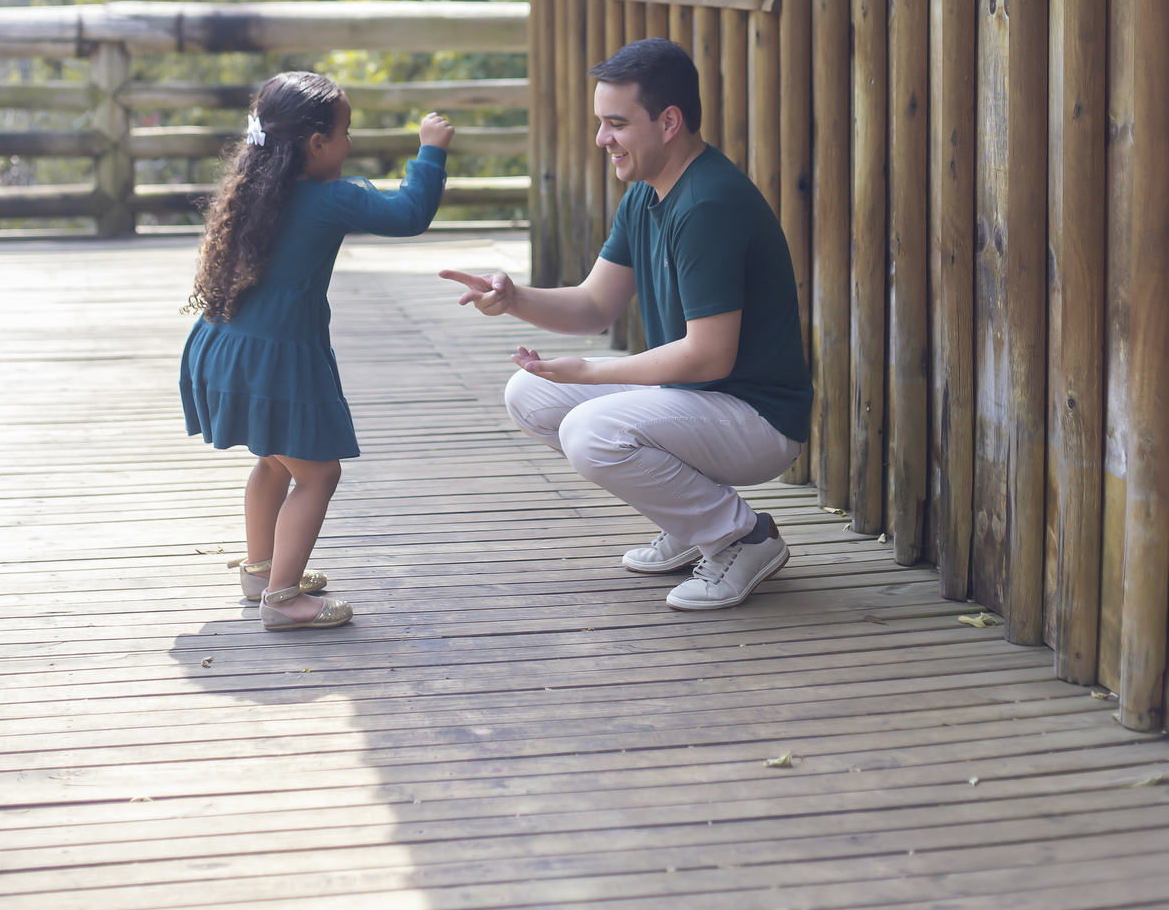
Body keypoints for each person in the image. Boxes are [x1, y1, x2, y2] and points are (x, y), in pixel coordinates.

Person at [441, 38, 812, 612]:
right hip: (696, 400)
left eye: (616, 123)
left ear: (669, 122)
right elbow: (593, 305)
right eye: (600, 122)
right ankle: (692, 523)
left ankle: (742, 539)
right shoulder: (646, 194)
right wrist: (513, 298)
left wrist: (592, 372)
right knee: (532, 393)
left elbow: (711, 356)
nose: (601, 140)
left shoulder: (708, 204)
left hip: (755, 418)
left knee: (592, 430)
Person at [181, 71, 453, 632]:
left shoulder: (255, 191)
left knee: (274, 459)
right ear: (316, 144)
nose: (349, 144)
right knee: (318, 474)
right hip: (274, 361)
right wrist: (429, 151)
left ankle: (261, 572)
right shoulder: (333, 199)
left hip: (223, 347)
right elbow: (409, 215)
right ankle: (282, 600)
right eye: (345, 132)